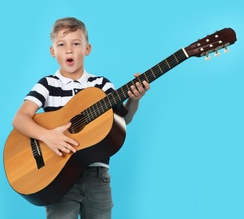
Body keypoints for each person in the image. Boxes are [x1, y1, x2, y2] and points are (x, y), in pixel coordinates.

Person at [12, 17, 150, 218]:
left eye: (76, 44)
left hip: (97, 177)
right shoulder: (47, 84)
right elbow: (20, 119)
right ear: (53, 52)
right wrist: (47, 136)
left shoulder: (101, 85)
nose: (69, 50)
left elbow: (122, 120)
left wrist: (135, 100)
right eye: (61, 44)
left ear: (87, 49)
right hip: (59, 177)